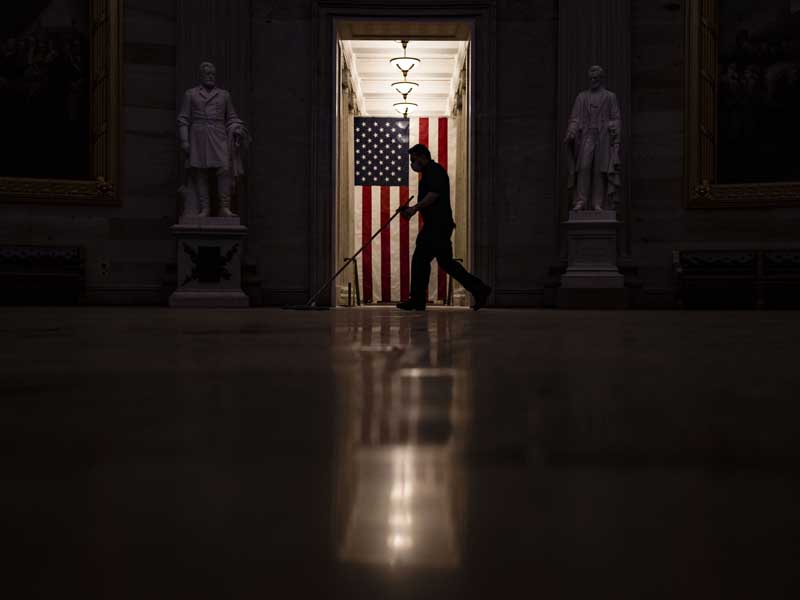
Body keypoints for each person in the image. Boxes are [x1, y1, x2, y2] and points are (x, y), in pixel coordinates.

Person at [396, 143, 492, 311]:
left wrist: (413, 209)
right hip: (440, 225)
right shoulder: (429, 172)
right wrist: (410, 209)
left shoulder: (434, 171)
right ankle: (480, 288)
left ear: (422, 156)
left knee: (420, 259)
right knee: (446, 263)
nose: (412, 163)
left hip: (437, 226)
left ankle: (417, 300)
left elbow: (433, 195)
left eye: (414, 159)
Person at [177, 62, 249, 218]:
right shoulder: (191, 94)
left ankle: (224, 207)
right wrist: (184, 141)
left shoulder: (224, 95)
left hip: (219, 135)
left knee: (223, 169)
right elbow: (183, 119)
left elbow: (232, 117)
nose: (211, 77)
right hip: (198, 136)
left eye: (213, 74)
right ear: (201, 75)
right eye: (207, 74)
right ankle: (205, 209)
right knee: (200, 172)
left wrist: (236, 128)